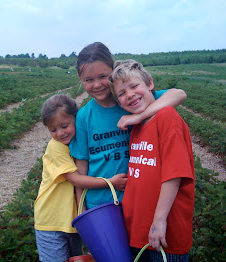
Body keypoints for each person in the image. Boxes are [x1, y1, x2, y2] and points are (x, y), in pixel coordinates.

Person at [69, 42, 187, 210]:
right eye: (89, 80)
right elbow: (82, 168)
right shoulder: (84, 116)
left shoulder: (131, 102)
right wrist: (82, 210)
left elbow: (179, 94)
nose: (97, 84)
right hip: (100, 203)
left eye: (103, 76)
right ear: (81, 80)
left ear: (112, 73)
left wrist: (139, 115)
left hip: (137, 199)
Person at [108, 59, 195, 262]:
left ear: (150, 83)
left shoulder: (166, 117)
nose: (129, 95)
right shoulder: (137, 126)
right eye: (121, 93)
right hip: (138, 232)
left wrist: (159, 220)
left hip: (165, 235)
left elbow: (175, 174)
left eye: (134, 86)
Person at [34, 94, 127, 262]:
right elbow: (75, 179)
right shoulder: (56, 148)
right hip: (51, 221)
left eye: (64, 126)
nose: (60, 133)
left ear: (76, 119)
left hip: (70, 221)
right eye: (53, 130)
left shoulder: (78, 142)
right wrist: (110, 183)